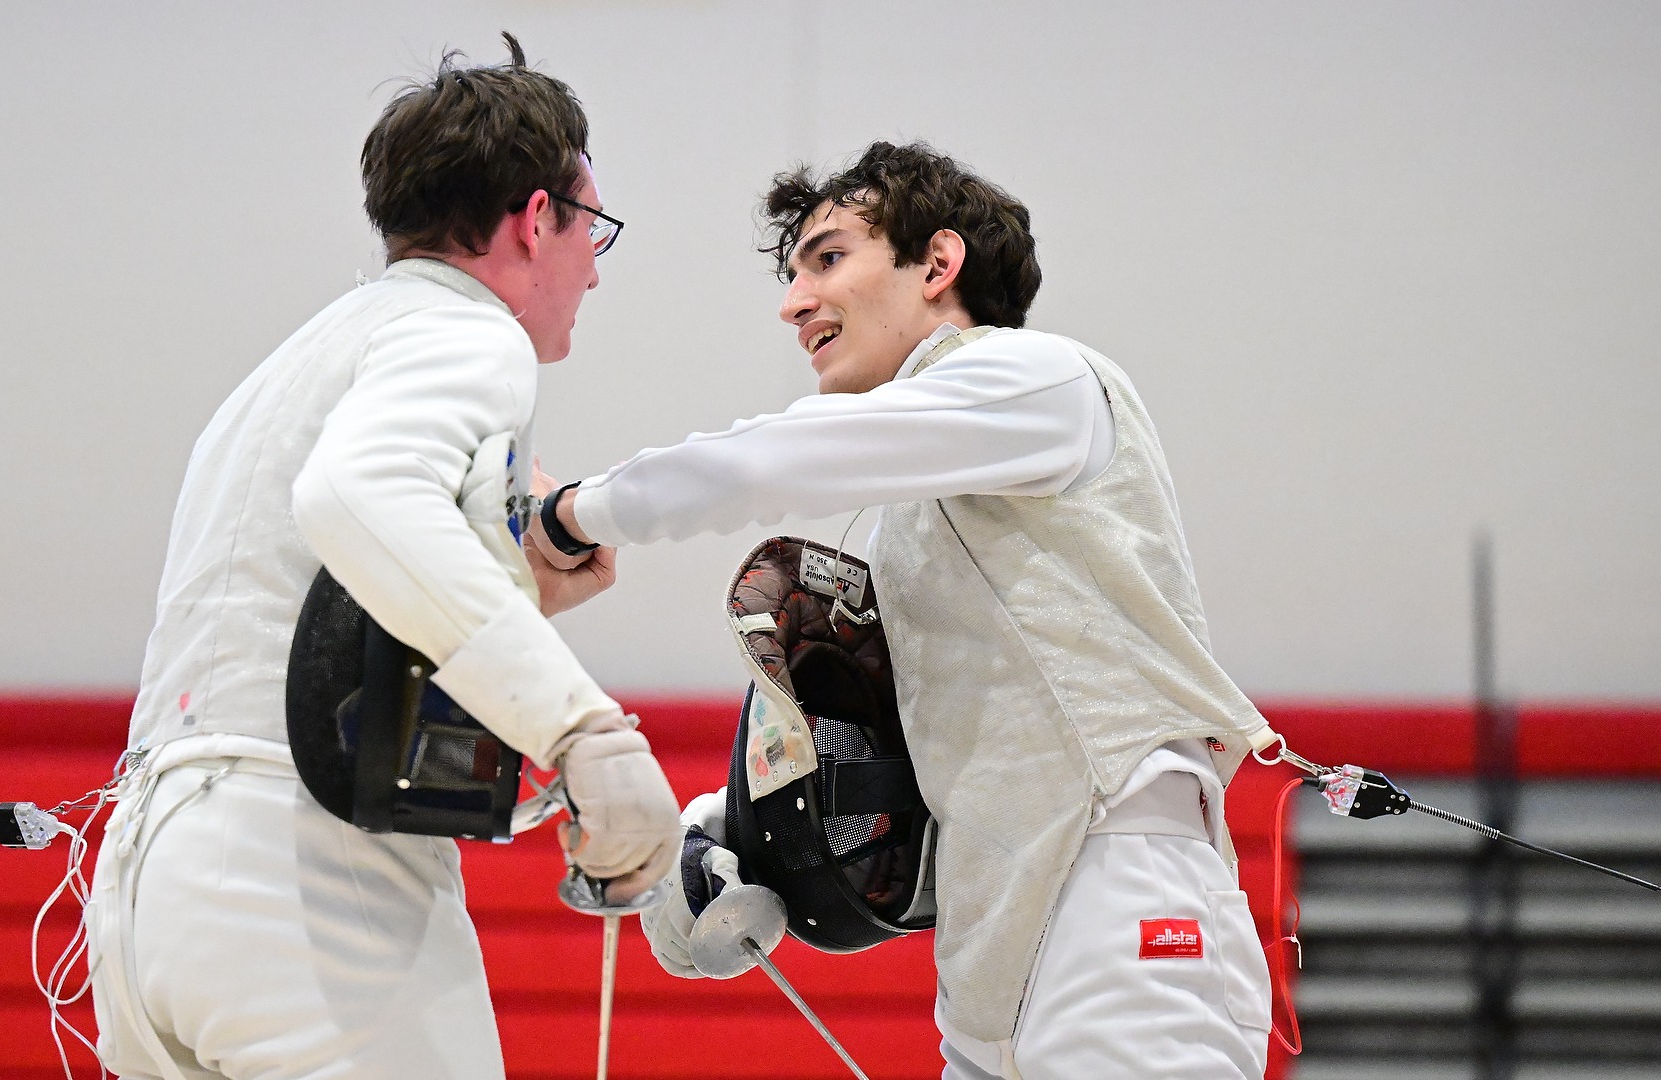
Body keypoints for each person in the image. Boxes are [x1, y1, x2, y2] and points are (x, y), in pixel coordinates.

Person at [533, 141, 1277, 1080]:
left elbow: (775, 460)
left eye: (829, 259)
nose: (793, 301)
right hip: (991, 946)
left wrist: (570, 517)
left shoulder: (1042, 381)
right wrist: (722, 835)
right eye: (792, 273)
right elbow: (889, 734)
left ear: (938, 264)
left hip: (1121, 900)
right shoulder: (917, 510)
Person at [86, 36, 681, 1080]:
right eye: (594, 227)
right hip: (306, 886)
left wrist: (513, 588)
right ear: (537, 218)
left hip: (150, 894)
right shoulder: (467, 334)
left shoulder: (303, 358)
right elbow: (357, 498)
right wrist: (581, 731)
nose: (594, 264)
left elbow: (313, 609)